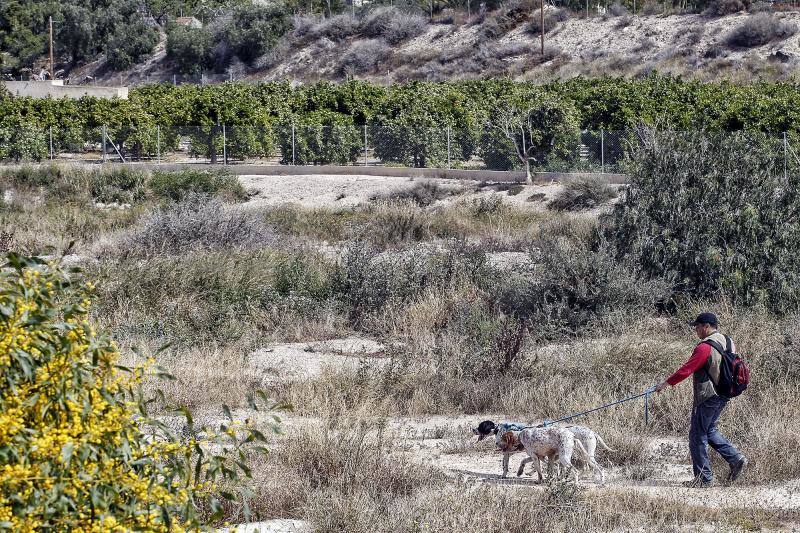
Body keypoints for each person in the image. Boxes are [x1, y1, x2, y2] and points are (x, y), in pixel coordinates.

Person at [654, 312, 747, 488]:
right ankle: (735, 458)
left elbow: (687, 369)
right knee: (708, 430)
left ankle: (704, 479)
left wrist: (665, 384)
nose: (695, 329)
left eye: (697, 326)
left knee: (697, 435)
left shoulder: (704, 347)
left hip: (708, 395)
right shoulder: (728, 340)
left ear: (706, 326)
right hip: (724, 394)